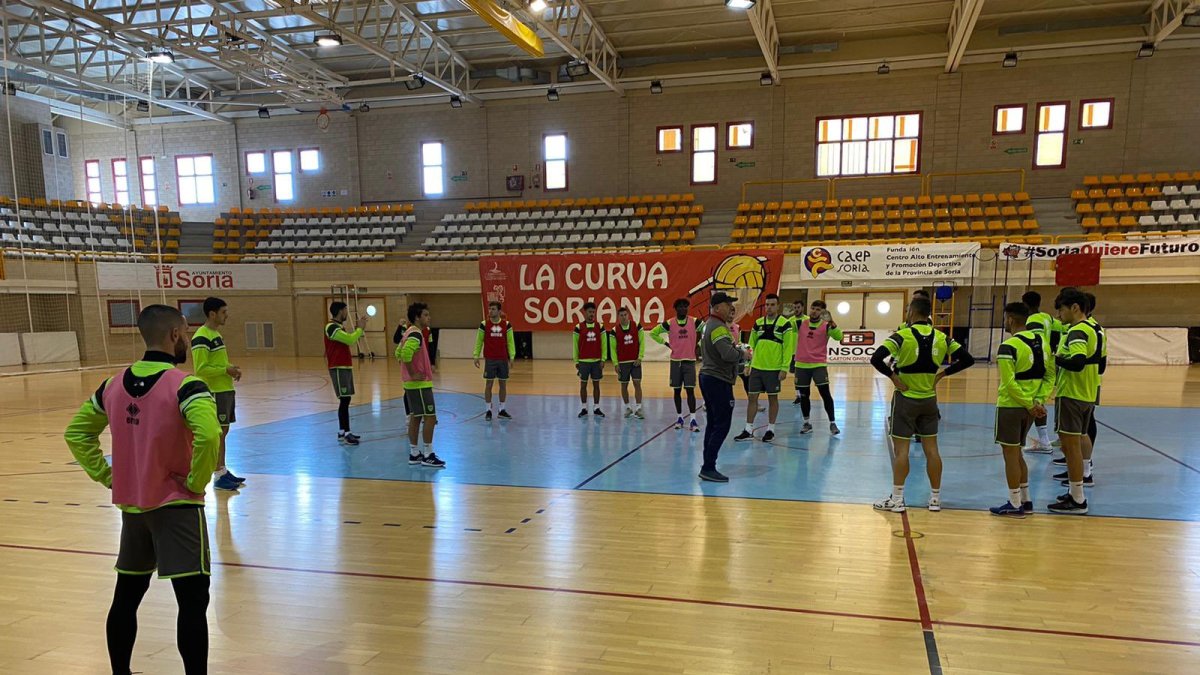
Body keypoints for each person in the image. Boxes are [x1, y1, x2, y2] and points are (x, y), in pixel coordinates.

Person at [64, 304, 220, 675]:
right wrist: (197, 482)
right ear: (174, 335)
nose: (187, 338)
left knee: (126, 597)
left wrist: (110, 477)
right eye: (185, 331)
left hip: (133, 511)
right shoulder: (186, 385)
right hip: (177, 509)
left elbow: (76, 433)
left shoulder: (112, 384)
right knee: (193, 602)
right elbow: (210, 434)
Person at [870, 296, 975, 512]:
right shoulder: (942, 337)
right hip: (929, 400)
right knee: (932, 450)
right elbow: (967, 359)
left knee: (902, 451)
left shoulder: (902, 336)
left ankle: (897, 499)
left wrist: (893, 377)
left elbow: (876, 358)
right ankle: (935, 498)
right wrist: (942, 374)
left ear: (912, 313)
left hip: (906, 400)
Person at [989, 302, 1055, 518]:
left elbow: (1009, 383)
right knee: (1017, 454)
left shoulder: (1009, 346)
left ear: (1010, 319)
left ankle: (1015, 503)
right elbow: (1049, 376)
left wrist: (1028, 403)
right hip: (1030, 409)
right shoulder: (1042, 343)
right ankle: (1026, 500)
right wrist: (1037, 401)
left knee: (1010, 455)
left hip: (1011, 406)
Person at [1046, 288, 1101, 514]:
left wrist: (1056, 359)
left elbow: (1077, 362)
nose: (1059, 315)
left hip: (1072, 393)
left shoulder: (1077, 331)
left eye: (1061, 309)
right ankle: (1079, 485)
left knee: (1071, 447)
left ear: (1075, 308)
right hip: (1089, 391)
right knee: (1080, 438)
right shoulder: (1096, 329)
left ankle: (1077, 498)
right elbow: (1100, 362)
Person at [190, 297, 245, 491]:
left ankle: (222, 469)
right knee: (219, 434)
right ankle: (218, 475)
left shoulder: (216, 334)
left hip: (225, 389)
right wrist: (225, 370)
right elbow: (201, 368)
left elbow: (218, 364)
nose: (226, 315)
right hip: (215, 391)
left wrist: (229, 368)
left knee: (224, 431)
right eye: (223, 312)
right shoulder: (201, 336)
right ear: (212, 314)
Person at [698, 292, 748, 482]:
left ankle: (708, 464)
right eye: (728, 305)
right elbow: (727, 354)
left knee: (713, 423)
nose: (731, 308)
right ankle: (708, 466)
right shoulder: (718, 328)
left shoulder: (707, 325)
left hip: (709, 377)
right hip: (717, 379)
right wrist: (742, 354)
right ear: (717, 307)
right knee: (722, 424)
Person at [735, 294, 793, 443]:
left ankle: (770, 429)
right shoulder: (758, 323)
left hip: (774, 369)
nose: (769, 307)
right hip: (757, 368)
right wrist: (748, 364)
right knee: (752, 398)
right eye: (767, 305)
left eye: (772, 305)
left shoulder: (785, 324)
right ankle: (748, 429)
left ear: (778, 306)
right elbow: (751, 346)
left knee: (773, 398)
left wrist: (784, 368)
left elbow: (788, 348)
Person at [396, 302, 446, 468]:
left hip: (411, 385)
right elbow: (404, 353)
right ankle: (428, 454)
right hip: (419, 384)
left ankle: (414, 453)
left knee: (415, 417)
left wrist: (408, 372)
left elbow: (398, 352)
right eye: (425, 315)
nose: (428, 317)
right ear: (417, 318)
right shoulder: (416, 334)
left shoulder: (409, 332)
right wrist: (412, 372)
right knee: (430, 417)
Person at [649, 298, 703, 432]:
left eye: (686, 306)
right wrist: (666, 343)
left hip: (690, 361)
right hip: (676, 362)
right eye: (680, 306)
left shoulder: (695, 321)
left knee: (690, 391)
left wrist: (699, 345)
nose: (683, 308)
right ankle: (679, 417)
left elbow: (707, 330)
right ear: (676, 309)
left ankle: (693, 419)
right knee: (677, 390)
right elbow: (653, 333)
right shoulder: (669, 323)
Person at [792, 298, 842, 435]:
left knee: (825, 394)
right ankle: (806, 423)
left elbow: (839, 337)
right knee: (804, 395)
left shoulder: (826, 326)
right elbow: (785, 325)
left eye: (818, 309)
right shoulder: (800, 323)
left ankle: (832, 423)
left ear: (822, 312)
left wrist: (833, 324)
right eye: (813, 308)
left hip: (818, 365)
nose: (814, 311)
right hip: (801, 365)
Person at [1021, 291, 1056, 453]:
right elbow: (1061, 329)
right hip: (1049, 357)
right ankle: (1044, 440)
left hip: (1039, 360)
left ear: (1025, 304)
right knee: (1039, 399)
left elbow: (1035, 341)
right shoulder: (1047, 317)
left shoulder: (1032, 320)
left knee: (1034, 400)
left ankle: (1043, 441)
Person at [325, 302, 365, 445]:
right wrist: (360, 329)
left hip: (345, 367)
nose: (346, 314)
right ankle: (346, 433)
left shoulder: (339, 327)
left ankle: (342, 431)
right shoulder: (331, 327)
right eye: (345, 311)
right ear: (339, 311)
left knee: (346, 399)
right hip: (338, 367)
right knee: (344, 399)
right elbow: (350, 339)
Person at [473, 301, 515, 421]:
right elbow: (479, 341)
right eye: (489, 309)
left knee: (503, 384)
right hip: (490, 359)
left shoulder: (506, 325)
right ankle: (488, 410)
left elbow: (510, 342)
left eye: (493, 309)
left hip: (502, 359)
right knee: (489, 384)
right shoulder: (484, 324)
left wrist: (512, 356)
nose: (490, 311)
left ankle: (502, 410)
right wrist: (476, 355)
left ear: (499, 311)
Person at [609, 307, 646, 419]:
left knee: (637, 383)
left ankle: (638, 408)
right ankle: (628, 408)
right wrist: (615, 364)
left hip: (635, 362)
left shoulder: (637, 326)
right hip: (623, 363)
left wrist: (640, 357)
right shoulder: (614, 331)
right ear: (618, 317)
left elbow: (642, 342)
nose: (624, 317)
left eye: (625, 314)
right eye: (621, 315)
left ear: (628, 315)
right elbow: (613, 349)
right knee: (624, 385)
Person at [573, 301, 607, 418]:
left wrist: (603, 359)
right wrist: (576, 361)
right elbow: (575, 345)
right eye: (589, 312)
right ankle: (584, 408)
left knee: (596, 385)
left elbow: (604, 343)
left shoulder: (600, 326)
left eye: (593, 312)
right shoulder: (578, 327)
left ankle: (596, 407)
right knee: (583, 385)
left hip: (596, 361)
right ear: (584, 313)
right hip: (583, 362)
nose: (591, 314)